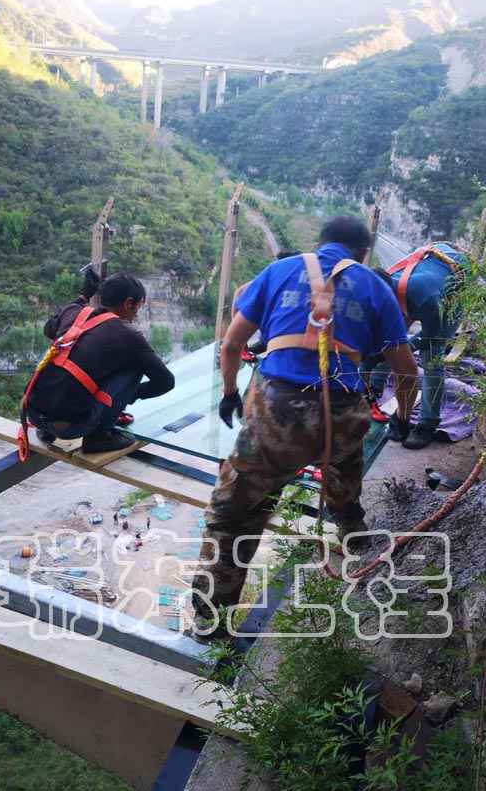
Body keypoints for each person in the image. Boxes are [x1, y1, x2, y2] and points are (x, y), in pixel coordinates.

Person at [190, 215, 418, 640]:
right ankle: (349, 524)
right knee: (344, 462)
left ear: (320, 242)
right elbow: (405, 371)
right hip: (341, 415)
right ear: (363, 252)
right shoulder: (374, 286)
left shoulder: (279, 271)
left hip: (276, 415)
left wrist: (230, 393)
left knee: (232, 516)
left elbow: (232, 345)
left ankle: (210, 620)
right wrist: (403, 419)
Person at [26, 270, 175, 454]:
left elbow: (49, 329)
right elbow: (166, 382)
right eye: (138, 306)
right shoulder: (129, 335)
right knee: (135, 367)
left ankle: (46, 427)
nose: (137, 314)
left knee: (61, 349)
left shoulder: (74, 312)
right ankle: (100, 435)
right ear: (128, 303)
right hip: (70, 428)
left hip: (34, 414)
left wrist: (83, 296)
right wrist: (129, 395)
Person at [370, 242, 471, 450]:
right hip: (430, 267)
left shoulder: (425, 297)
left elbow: (429, 336)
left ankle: (428, 424)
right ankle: (374, 388)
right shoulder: (377, 288)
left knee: (431, 355)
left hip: (456, 283)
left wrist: (389, 354)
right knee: (387, 342)